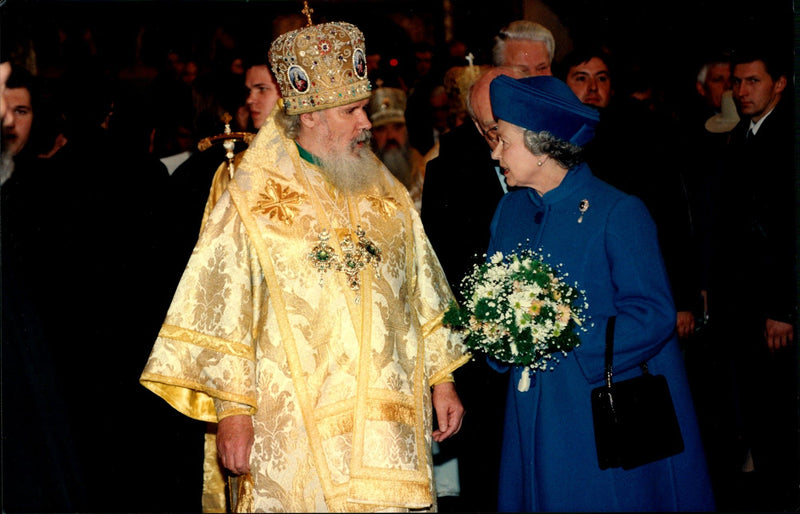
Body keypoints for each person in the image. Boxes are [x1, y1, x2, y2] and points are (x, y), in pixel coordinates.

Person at [140, 19, 469, 512]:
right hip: (292, 422)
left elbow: (423, 287)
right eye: (353, 110)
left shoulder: (388, 195)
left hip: (388, 418)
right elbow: (224, 307)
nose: (367, 122)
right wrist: (232, 412)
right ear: (311, 115)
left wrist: (443, 380)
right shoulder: (251, 200)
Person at [486, 74, 716, 511]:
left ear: (542, 145)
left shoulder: (616, 211)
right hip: (530, 406)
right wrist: (496, 332)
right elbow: (494, 298)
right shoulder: (510, 210)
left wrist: (566, 333)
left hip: (593, 408)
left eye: (504, 140)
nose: (495, 152)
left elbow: (653, 313)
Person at [419, 64, 526, 513]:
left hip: (552, 355)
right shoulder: (450, 170)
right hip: (482, 360)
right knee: (489, 479)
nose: (496, 144)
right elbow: (436, 274)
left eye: (504, 128)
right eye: (488, 129)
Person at [703, 44, 796, 511]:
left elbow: (787, 231)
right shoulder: (742, 136)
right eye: (735, 82)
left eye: (752, 81)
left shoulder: (785, 137)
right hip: (739, 302)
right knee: (751, 408)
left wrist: (783, 308)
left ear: (780, 83)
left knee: (777, 412)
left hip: (772, 307)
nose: (740, 91)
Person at [560, 46, 702, 341]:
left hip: (637, 286)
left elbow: (671, 215)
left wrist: (683, 299)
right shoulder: (554, 140)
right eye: (581, 78)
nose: (593, 88)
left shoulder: (641, 137)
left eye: (602, 78)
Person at [367, 86, 426, 212]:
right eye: (382, 129)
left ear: (407, 131)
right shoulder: (365, 179)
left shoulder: (423, 170)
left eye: (397, 127)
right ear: (372, 134)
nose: (390, 136)